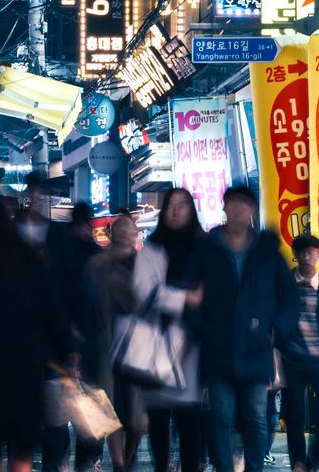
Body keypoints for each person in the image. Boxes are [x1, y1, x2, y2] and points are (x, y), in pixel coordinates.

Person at [0, 197, 75, 472]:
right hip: (24, 363)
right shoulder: (28, 257)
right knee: (21, 446)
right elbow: (50, 309)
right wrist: (66, 348)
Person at [190, 186, 299, 472]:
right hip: (217, 349)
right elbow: (191, 297)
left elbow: (290, 299)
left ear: (252, 210)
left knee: (255, 417)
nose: (238, 209)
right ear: (224, 207)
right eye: (233, 204)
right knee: (221, 416)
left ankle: (254, 469)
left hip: (255, 348)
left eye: (245, 204)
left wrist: (276, 330)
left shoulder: (268, 253)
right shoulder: (207, 250)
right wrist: (203, 330)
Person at [133, 188, 207, 472]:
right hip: (157, 341)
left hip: (194, 343)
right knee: (159, 416)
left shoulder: (204, 247)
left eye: (183, 205)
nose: (176, 210)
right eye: (171, 205)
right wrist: (186, 297)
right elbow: (143, 292)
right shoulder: (152, 248)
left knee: (190, 418)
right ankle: (161, 467)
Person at [43, 202, 104, 472]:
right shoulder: (93, 255)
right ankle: (86, 461)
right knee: (88, 405)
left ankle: (61, 462)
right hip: (85, 342)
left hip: (62, 342)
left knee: (58, 415)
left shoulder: (58, 252)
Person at [82, 214, 146, 472]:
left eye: (129, 229)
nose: (125, 233)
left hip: (138, 347)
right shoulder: (97, 265)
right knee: (111, 409)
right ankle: (120, 463)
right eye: (120, 229)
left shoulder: (145, 265)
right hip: (106, 345)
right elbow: (87, 307)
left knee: (136, 416)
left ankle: (126, 458)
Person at [279, 235, 319, 472]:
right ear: (296, 254)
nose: (307, 257)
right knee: (294, 417)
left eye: (312, 252)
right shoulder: (283, 285)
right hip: (292, 361)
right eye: (302, 252)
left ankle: (314, 462)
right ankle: (298, 462)